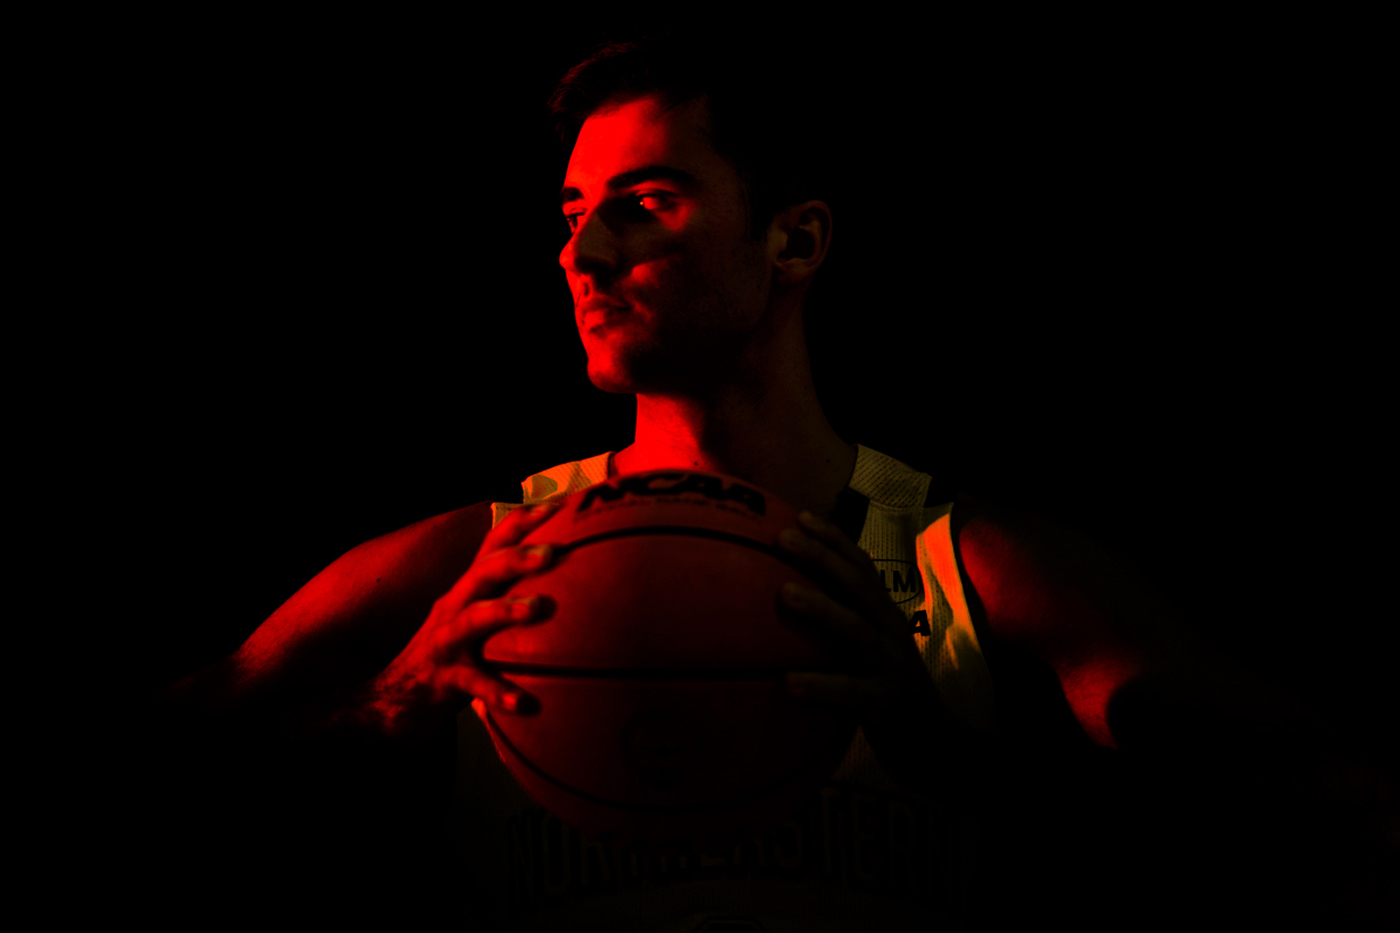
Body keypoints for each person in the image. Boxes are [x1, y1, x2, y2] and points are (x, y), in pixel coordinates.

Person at [151, 28, 1396, 931]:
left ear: (793, 241)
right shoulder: (489, 559)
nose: (582, 251)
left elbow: (1341, 814)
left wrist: (964, 769)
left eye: (646, 205)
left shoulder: (959, 560)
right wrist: (393, 705)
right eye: (574, 210)